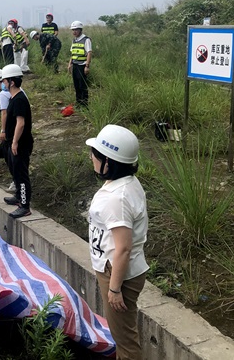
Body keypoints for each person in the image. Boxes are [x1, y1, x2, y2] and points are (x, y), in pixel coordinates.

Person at [85, 124, 148, 360]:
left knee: (124, 340)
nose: (91, 157)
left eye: (95, 154)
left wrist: (114, 288)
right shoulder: (125, 183)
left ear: (109, 162)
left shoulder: (117, 198)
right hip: (118, 270)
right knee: (122, 333)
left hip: (118, 274)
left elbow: (123, 248)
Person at [0, 63, 34, 218]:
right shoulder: (14, 98)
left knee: (21, 174)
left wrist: (14, 142)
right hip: (14, 143)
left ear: (11, 82)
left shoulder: (19, 99)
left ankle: (25, 206)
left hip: (21, 144)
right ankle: (19, 197)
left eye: (4, 80)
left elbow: (21, 123)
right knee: (15, 171)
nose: (3, 83)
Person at [67, 21, 92, 107]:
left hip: (82, 65)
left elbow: (89, 53)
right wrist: (70, 64)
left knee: (82, 85)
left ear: (80, 30)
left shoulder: (86, 40)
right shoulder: (74, 40)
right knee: (76, 85)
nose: (74, 32)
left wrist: (87, 66)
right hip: (75, 65)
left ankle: (84, 104)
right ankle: (78, 102)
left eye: (76, 30)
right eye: (73, 30)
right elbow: (72, 53)